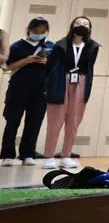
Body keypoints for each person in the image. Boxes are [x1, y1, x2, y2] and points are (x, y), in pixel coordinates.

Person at [42, 17, 98, 169]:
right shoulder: (61, 44)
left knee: (74, 122)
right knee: (55, 121)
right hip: (61, 81)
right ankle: (49, 156)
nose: (82, 26)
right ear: (72, 26)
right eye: (78, 23)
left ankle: (66, 155)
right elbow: (49, 67)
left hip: (81, 82)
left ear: (90, 29)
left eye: (85, 24)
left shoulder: (93, 46)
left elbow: (89, 68)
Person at [1, 18, 52, 167]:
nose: (39, 34)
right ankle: (7, 154)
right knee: (12, 121)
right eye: (36, 31)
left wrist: (46, 61)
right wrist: (27, 60)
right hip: (18, 89)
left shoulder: (50, 46)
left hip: (40, 90)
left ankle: (28, 154)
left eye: (42, 31)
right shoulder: (17, 46)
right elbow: (7, 67)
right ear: (29, 30)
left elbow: (57, 67)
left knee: (34, 123)